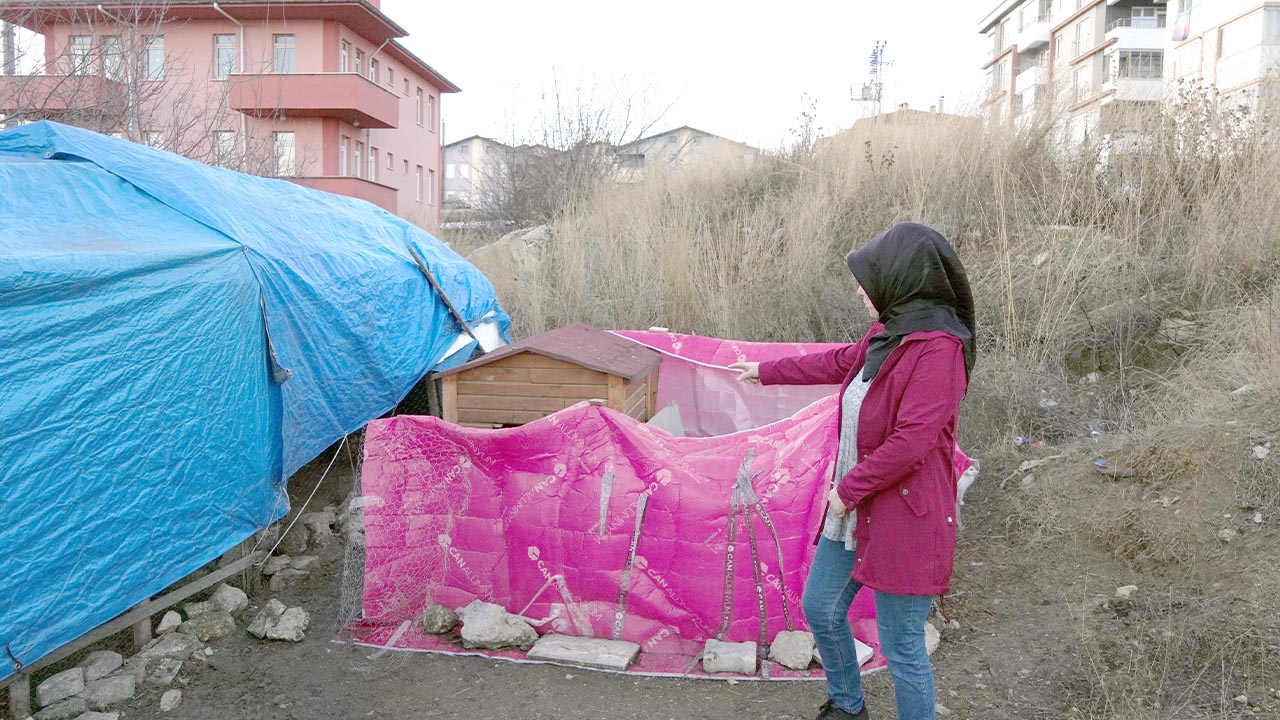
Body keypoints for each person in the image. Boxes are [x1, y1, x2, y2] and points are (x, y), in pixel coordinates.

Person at [729, 222, 975, 720]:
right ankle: (847, 705)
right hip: (860, 507)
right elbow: (844, 361)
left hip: (906, 514)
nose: (861, 290)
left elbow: (913, 441)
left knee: (902, 644)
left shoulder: (939, 349)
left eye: (869, 278)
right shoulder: (892, 330)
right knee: (820, 606)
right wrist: (767, 371)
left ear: (901, 277)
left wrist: (847, 490)